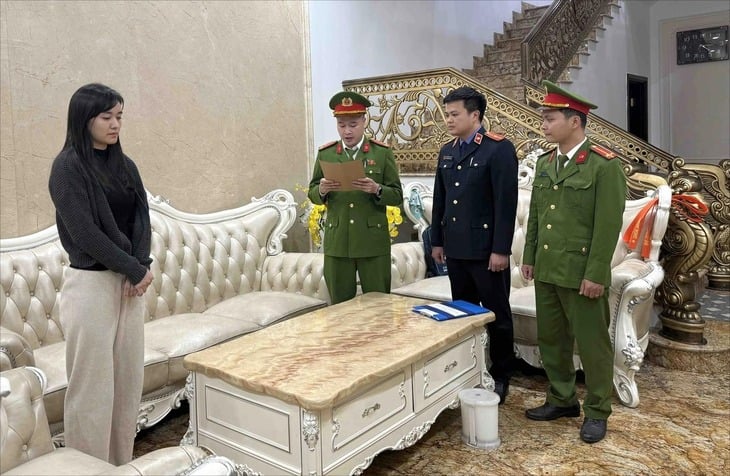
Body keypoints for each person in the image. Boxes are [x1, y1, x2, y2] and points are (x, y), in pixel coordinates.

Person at [48, 83, 154, 464]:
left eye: (119, 116)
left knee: (127, 385)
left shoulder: (126, 166)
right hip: (90, 286)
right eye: (106, 117)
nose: (115, 124)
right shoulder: (66, 168)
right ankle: (87, 468)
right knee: (91, 390)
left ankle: (121, 465)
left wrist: (140, 266)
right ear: (84, 118)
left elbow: (142, 218)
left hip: (129, 285)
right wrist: (133, 268)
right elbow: (84, 233)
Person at [521, 80, 626, 443]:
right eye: (544, 118)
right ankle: (562, 399)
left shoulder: (603, 166)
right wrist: (530, 257)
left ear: (575, 122)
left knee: (592, 345)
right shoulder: (546, 162)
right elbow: (537, 215)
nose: (544, 125)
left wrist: (596, 273)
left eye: (550, 119)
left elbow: (607, 227)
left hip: (582, 273)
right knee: (552, 340)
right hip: (548, 269)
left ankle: (597, 410)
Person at [430, 86, 518, 404]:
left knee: (497, 316)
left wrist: (500, 250)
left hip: (486, 252)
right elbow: (440, 201)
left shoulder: (498, 149)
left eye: (455, 114)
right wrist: (437, 241)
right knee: (462, 313)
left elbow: (505, 205)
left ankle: (502, 374)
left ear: (475, 115)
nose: (449, 120)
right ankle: (467, 369)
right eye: (447, 114)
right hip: (456, 249)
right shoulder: (447, 151)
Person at [308, 91, 403, 304]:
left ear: (364, 121)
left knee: (378, 304)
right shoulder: (326, 154)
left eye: (353, 124)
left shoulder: (381, 153)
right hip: (338, 241)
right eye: (341, 125)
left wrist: (377, 189)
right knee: (339, 306)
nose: (347, 131)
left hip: (372, 241)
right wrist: (321, 190)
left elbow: (397, 195)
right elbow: (313, 192)